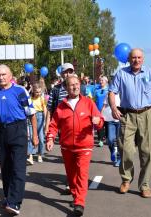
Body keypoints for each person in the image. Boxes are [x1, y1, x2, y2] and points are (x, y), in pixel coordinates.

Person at [108, 48, 151, 198]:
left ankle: (144, 185)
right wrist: (113, 107)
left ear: (143, 59)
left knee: (146, 151)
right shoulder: (121, 74)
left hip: (146, 114)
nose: (136, 60)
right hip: (127, 115)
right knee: (125, 149)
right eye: (133, 57)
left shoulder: (150, 73)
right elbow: (111, 91)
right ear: (129, 59)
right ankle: (126, 179)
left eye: (139, 57)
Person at [0, 64, 38, 215]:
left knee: (18, 167)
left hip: (18, 130)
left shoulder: (20, 91)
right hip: (0, 131)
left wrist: (35, 135)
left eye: (4, 74)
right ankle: (8, 197)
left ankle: (14, 202)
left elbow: (31, 114)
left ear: (10, 75)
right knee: (5, 167)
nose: (1, 77)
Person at [46, 75, 104, 216]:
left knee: (82, 174)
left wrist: (98, 121)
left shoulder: (88, 103)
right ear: (66, 88)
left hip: (84, 146)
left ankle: (79, 202)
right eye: (71, 84)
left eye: (77, 84)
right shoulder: (61, 107)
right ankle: (75, 195)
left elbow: (100, 121)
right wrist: (50, 138)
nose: (75, 86)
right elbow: (54, 125)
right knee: (71, 175)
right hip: (67, 147)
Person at [45, 63, 75, 134]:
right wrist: (47, 127)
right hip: (62, 126)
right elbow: (49, 109)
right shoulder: (55, 89)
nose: (68, 74)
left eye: (70, 72)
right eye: (65, 72)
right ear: (61, 74)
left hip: (76, 124)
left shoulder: (78, 88)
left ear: (73, 73)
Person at [27, 83, 47, 164]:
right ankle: (31, 156)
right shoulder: (30, 99)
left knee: (41, 138)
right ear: (33, 92)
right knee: (31, 137)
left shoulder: (42, 98)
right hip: (31, 117)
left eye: (39, 92)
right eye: (37, 92)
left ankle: (39, 154)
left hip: (40, 116)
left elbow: (45, 109)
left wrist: (45, 121)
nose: (38, 93)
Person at [95, 76, 109, 147]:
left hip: (106, 111)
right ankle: (100, 140)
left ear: (106, 82)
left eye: (102, 80)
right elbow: (94, 99)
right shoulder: (97, 90)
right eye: (100, 80)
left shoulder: (109, 90)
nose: (101, 82)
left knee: (106, 126)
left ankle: (105, 137)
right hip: (97, 110)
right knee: (99, 126)